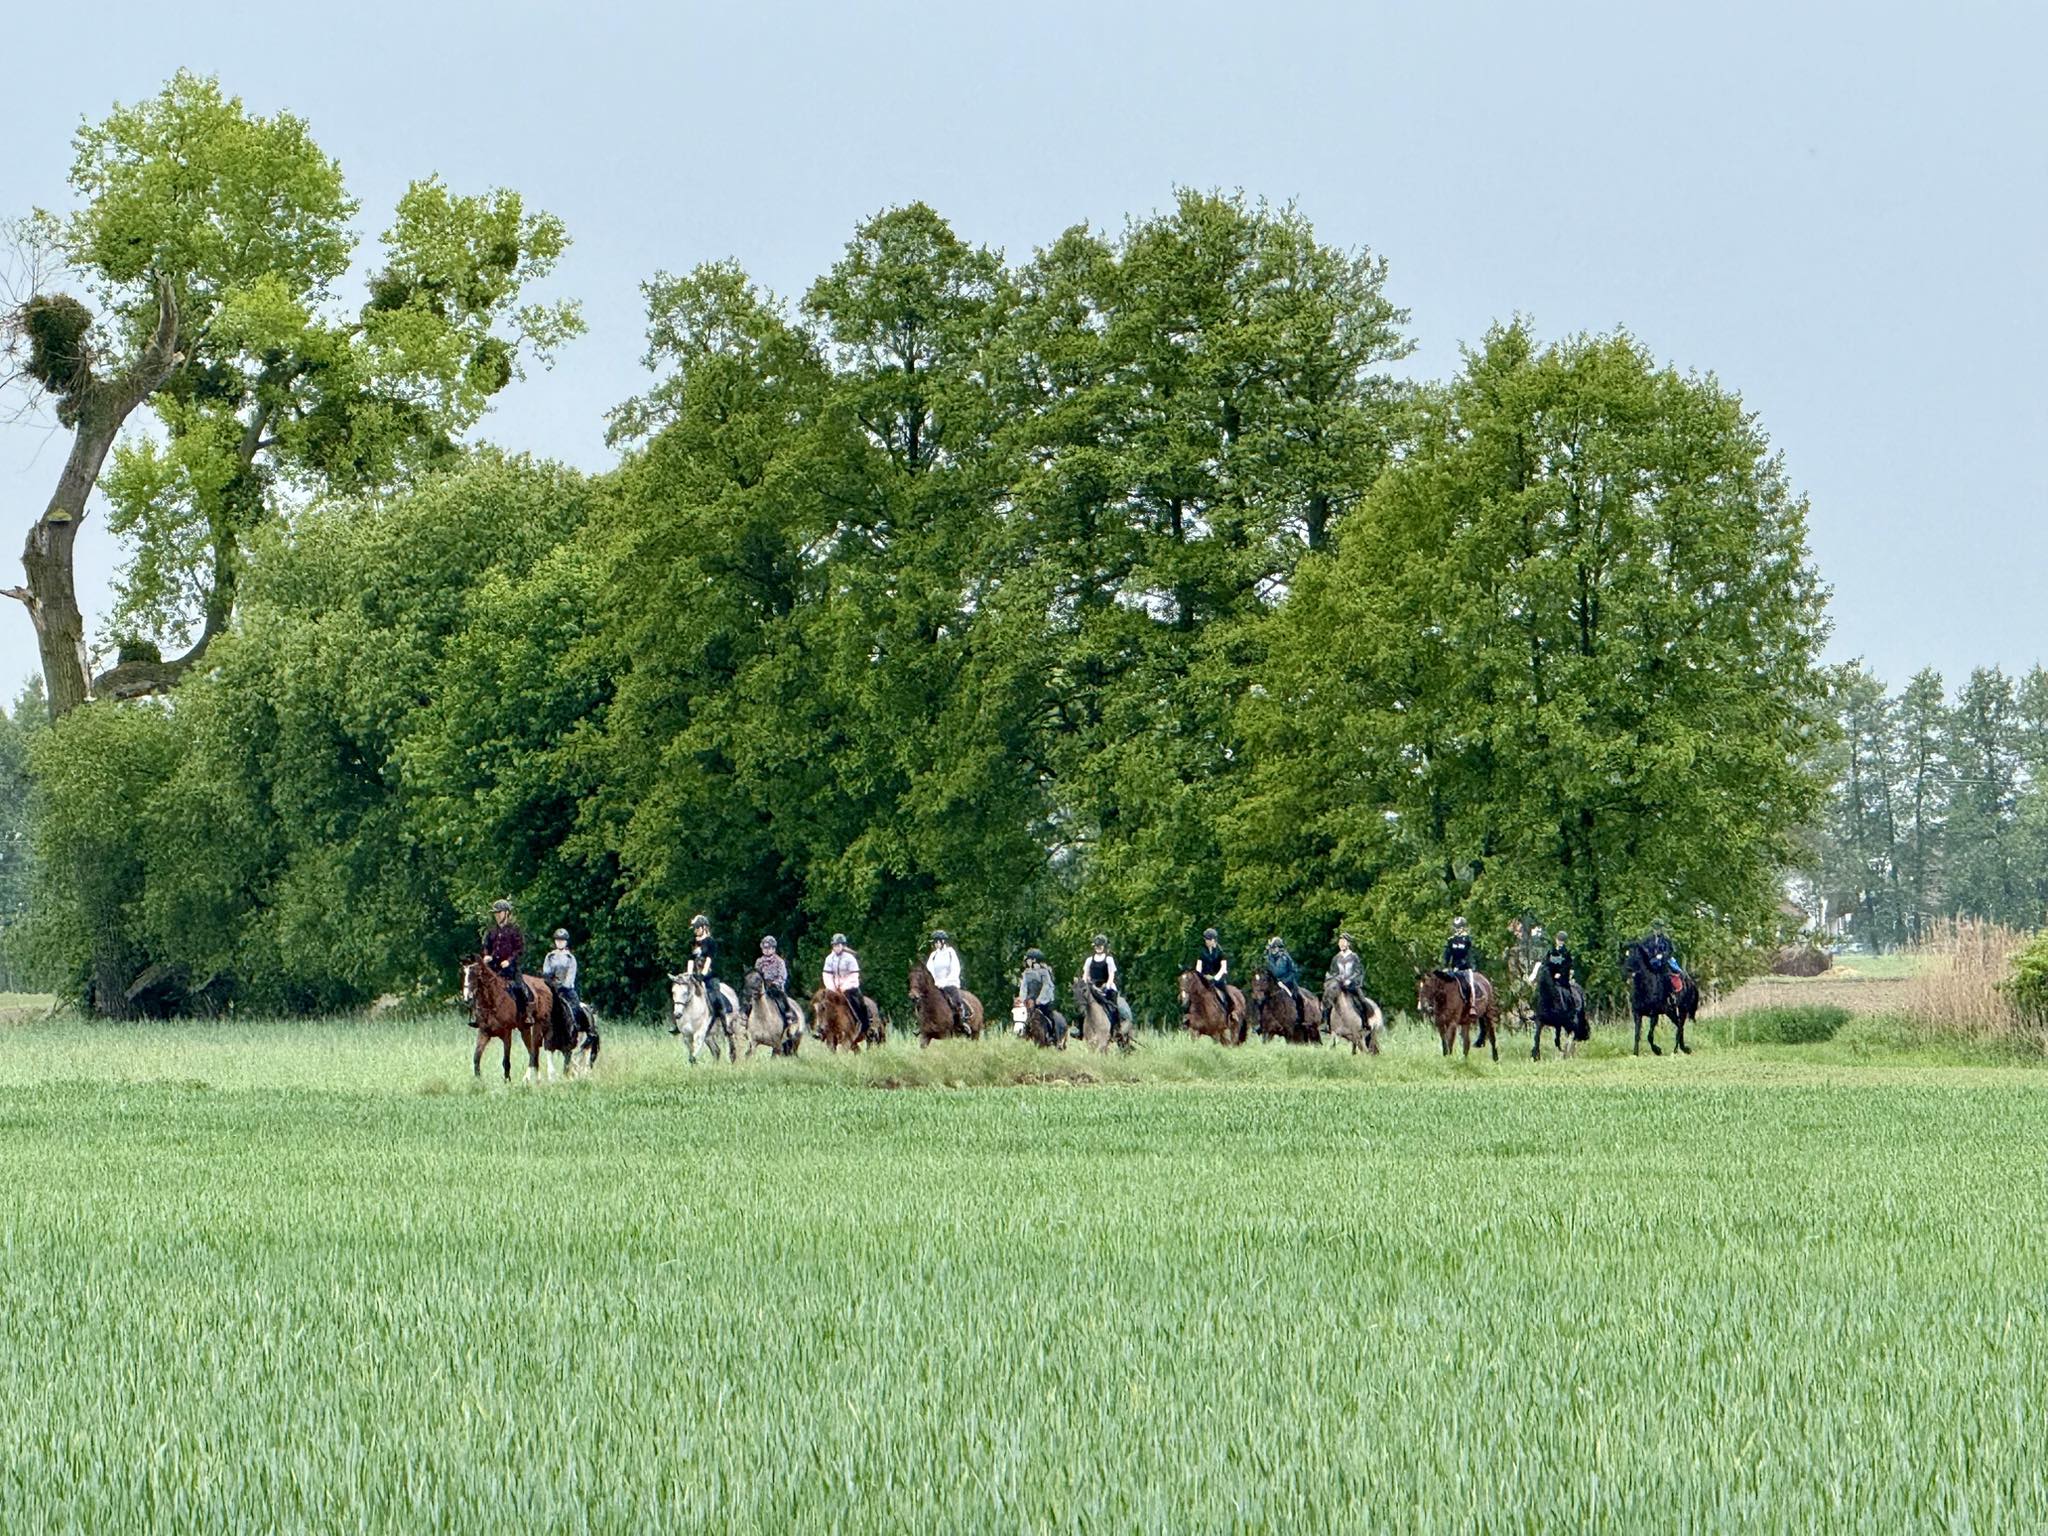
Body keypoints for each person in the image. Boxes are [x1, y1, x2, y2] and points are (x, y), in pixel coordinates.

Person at [482, 899, 533, 1028]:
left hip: (510, 969)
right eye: (496, 913)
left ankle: (525, 1015)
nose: (497, 915)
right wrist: (487, 955)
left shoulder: (514, 930)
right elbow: (486, 946)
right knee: (479, 986)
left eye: (499, 912)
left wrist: (509, 961)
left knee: (519, 988)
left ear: (506, 913)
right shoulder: (491, 931)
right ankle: (480, 1016)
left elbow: (519, 949)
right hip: (494, 968)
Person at [822, 933, 870, 1035]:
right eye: (835, 945)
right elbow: (827, 974)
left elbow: (854, 975)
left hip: (850, 987)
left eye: (839, 945)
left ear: (843, 946)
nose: (837, 948)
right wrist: (831, 987)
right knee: (821, 1003)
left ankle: (864, 1024)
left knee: (859, 1003)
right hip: (833, 988)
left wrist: (844, 986)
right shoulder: (829, 958)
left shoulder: (850, 958)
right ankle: (821, 1028)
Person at [1082, 934, 1132, 1030]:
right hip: (1093, 986)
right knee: (1082, 1004)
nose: (1098, 948)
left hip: (1106, 986)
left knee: (1113, 1006)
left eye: (1100, 946)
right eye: (1096, 946)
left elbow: (1111, 974)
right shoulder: (1089, 960)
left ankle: (1117, 1026)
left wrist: (1107, 985)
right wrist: (1085, 984)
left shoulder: (1109, 959)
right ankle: (1079, 1028)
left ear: (1104, 947)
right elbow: (1085, 974)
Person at [687, 914, 729, 1026]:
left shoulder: (710, 942)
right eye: (694, 928)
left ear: (704, 927)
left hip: (709, 973)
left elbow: (709, 959)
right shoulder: (692, 942)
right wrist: (689, 974)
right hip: (695, 973)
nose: (695, 930)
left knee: (714, 993)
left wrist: (703, 974)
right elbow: (690, 959)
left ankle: (724, 1019)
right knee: (682, 991)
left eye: (697, 927)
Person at [926, 929, 969, 1031]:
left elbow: (955, 968)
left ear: (943, 942)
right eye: (934, 942)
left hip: (949, 983)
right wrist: (933, 982)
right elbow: (929, 970)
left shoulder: (950, 953)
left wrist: (945, 982)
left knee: (956, 1001)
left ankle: (961, 1022)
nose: (936, 944)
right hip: (936, 985)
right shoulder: (933, 955)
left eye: (937, 942)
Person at [541, 927, 582, 1032]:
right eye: (558, 940)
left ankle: (577, 1026)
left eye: (562, 941)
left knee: (576, 1005)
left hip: (566, 989)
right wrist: (550, 984)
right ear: (555, 942)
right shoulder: (550, 956)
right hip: (552, 988)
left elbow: (571, 974)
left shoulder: (570, 958)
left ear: (566, 942)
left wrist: (565, 986)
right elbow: (546, 972)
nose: (560, 943)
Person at [756, 935, 795, 1038]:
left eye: (769, 948)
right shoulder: (759, 962)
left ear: (773, 949)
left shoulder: (779, 962)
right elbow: (756, 975)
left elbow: (783, 976)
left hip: (775, 987)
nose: (767, 950)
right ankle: (746, 1019)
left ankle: (788, 1017)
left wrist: (775, 983)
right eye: (764, 948)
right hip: (762, 987)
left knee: (783, 998)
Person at [1017, 947, 1058, 1038]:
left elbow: (1046, 986)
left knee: (1048, 1014)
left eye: (1028, 959)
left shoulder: (1044, 972)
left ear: (1034, 960)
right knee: (1023, 1014)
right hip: (1031, 997)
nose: (1026, 961)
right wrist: (1022, 998)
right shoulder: (1026, 973)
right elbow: (1023, 987)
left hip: (1043, 999)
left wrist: (1040, 998)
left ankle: (1053, 1034)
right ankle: (1023, 1031)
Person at [1263, 934, 1307, 1018]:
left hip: (1287, 981)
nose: (1273, 950)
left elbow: (1293, 971)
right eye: (1272, 948)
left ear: (1279, 948)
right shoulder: (1269, 958)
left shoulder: (1285, 957)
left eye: (1274, 947)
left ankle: (1299, 1017)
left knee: (1297, 996)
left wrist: (1284, 981)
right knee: (1263, 998)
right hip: (1274, 982)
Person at [1326, 932, 1367, 1019]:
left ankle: (1365, 1022)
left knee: (1362, 1000)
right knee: (1328, 998)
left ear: (1348, 943)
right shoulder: (1336, 958)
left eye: (1343, 942)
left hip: (1351, 984)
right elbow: (1333, 972)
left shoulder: (1354, 957)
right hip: (1339, 984)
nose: (1341, 944)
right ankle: (1327, 1023)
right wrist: (1335, 978)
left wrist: (1350, 980)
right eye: (1340, 942)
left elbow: (1358, 971)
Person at [1442, 916, 1478, 1007]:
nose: (1457, 930)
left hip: (1465, 968)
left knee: (1471, 985)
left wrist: (1463, 965)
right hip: (1454, 968)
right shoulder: (1451, 940)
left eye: (1459, 928)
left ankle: (1472, 1005)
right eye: (1456, 927)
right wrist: (1445, 966)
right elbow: (1447, 954)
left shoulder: (1467, 940)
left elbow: (1469, 954)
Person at [1195, 928, 1232, 1011]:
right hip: (1205, 977)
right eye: (1206, 939)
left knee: (1225, 992)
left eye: (1208, 940)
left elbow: (1223, 968)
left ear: (1214, 940)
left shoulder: (1221, 952)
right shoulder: (1202, 952)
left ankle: (1230, 1010)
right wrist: (1203, 976)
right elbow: (1198, 967)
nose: (1206, 942)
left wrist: (1215, 978)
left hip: (1218, 978)